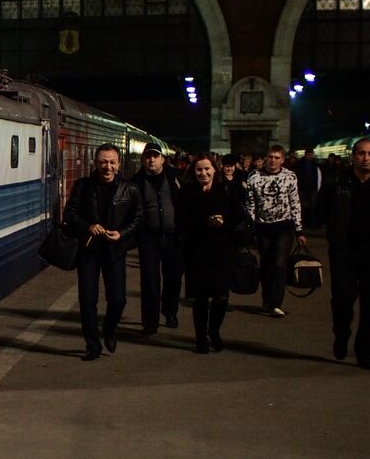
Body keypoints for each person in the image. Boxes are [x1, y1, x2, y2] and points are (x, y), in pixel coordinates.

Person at [64, 143, 143, 361]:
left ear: (118, 164)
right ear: (95, 163)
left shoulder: (130, 189)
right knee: (88, 299)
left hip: (115, 250)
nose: (107, 166)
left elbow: (137, 218)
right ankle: (93, 344)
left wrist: (122, 233)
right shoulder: (83, 186)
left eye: (111, 162)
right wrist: (87, 226)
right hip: (89, 249)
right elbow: (70, 214)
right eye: (103, 162)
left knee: (118, 299)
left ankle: (109, 328)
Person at [316, 138, 370, 370]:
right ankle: (341, 335)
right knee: (343, 303)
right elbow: (318, 211)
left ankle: (365, 351)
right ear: (353, 156)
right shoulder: (337, 183)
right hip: (344, 254)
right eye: (362, 153)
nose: (366, 158)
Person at [178, 156, 245, 353]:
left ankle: (214, 331)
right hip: (197, 251)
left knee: (221, 296)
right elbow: (181, 221)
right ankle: (201, 338)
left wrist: (224, 222)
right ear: (194, 172)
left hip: (223, 250)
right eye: (199, 170)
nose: (203, 173)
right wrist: (205, 222)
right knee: (200, 298)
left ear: (215, 170)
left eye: (207, 169)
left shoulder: (226, 190)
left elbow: (239, 215)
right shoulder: (187, 193)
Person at [244, 144, 305, 317]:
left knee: (279, 264)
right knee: (266, 264)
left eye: (277, 157)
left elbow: (295, 203)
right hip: (263, 227)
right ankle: (267, 298)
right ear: (265, 158)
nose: (272, 160)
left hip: (284, 226)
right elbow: (251, 205)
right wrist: (251, 228)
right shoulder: (254, 177)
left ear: (283, 160)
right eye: (270, 157)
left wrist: (299, 230)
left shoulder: (290, 177)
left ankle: (276, 302)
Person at [131, 146, 182, 334]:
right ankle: (150, 321)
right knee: (150, 280)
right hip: (149, 238)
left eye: (155, 156)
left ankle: (170, 312)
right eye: (148, 157)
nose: (151, 160)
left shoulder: (177, 177)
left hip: (173, 236)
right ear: (143, 160)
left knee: (173, 278)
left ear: (163, 159)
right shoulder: (136, 182)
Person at [296, 148, 322, 228]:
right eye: (310, 155)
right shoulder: (300, 164)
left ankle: (311, 223)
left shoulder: (315, 164)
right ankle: (303, 224)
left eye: (312, 154)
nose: (311, 156)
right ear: (306, 155)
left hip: (312, 188)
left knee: (312, 206)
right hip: (303, 188)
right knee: (303, 207)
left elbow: (318, 176)